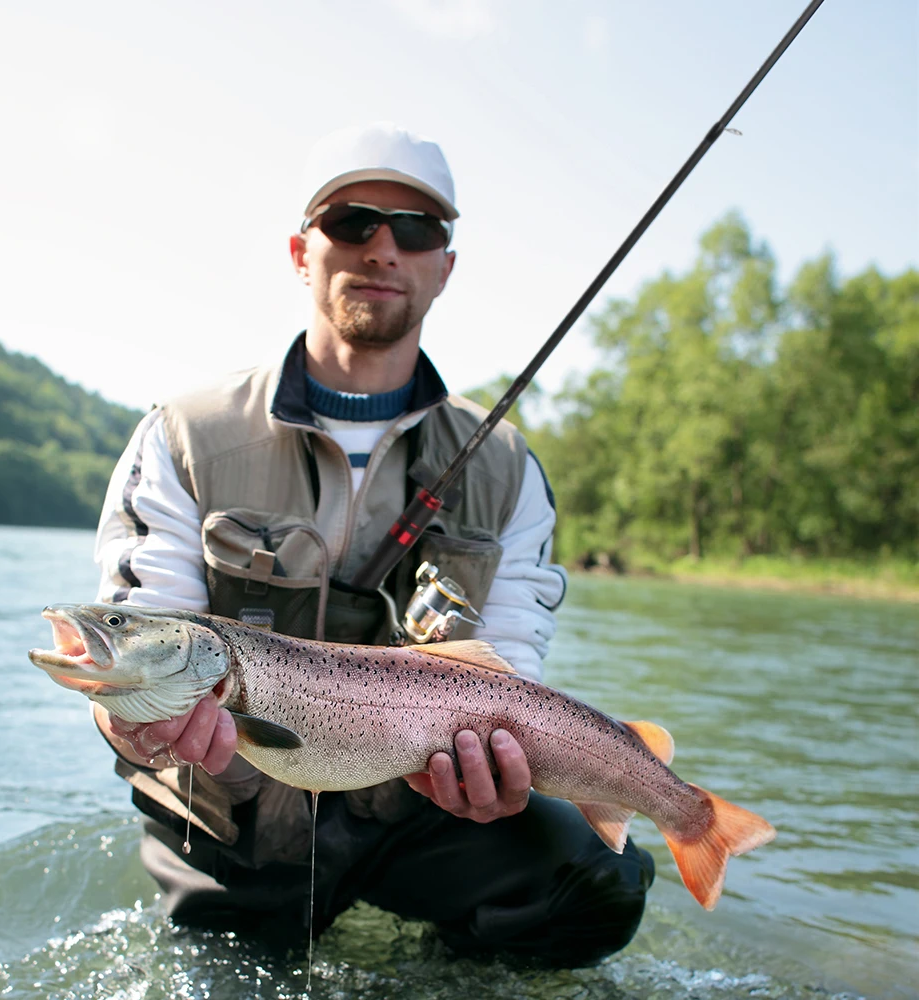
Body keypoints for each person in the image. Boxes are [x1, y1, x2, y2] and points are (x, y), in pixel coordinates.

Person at [91, 122, 654, 967]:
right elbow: (136, 645)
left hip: (421, 820)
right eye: (352, 221)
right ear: (300, 250)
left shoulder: (508, 471)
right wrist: (126, 721)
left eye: (416, 228)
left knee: (599, 879)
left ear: (445, 265)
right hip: (229, 820)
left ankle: (445, 970)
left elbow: (511, 675)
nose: (383, 248)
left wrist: (494, 778)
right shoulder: (183, 438)